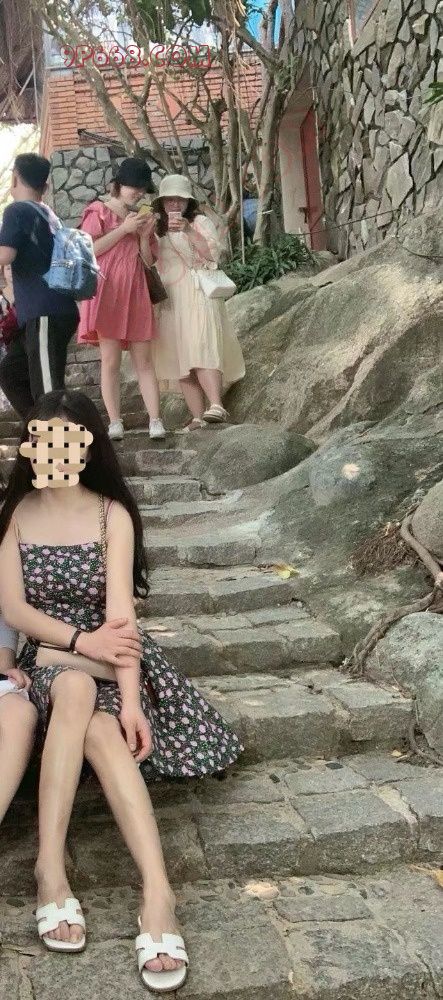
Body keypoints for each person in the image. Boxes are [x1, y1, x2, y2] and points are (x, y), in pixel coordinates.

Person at [0, 389, 242, 992]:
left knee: (105, 720)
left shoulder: (113, 515)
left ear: (88, 447)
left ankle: (150, 892)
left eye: (67, 440)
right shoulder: (17, 513)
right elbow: (15, 610)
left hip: (111, 661)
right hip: (55, 656)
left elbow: (121, 621)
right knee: (76, 692)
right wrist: (80, 642)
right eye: (43, 439)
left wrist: (133, 700)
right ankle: (62, 873)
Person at [78, 158, 166, 442]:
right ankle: (115, 421)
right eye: (134, 187)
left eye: (142, 189)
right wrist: (123, 229)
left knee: (144, 360)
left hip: (136, 291)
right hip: (107, 292)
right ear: (118, 185)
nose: (138, 193)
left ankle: (155, 420)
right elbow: (89, 250)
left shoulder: (141, 218)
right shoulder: (98, 211)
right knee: (110, 361)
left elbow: (149, 261)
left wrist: (143, 235)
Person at [151, 174, 245, 432]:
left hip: (198, 292)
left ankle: (216, 405)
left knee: (202, 346)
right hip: (170, 297)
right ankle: (197, 416)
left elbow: (213, 255)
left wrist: (188, 230)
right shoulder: (155, 228)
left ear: (188, 201)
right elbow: (149, 260)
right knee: (180, 357)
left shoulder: (200, 222)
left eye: (179, 199)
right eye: (169, 199)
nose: (174, 204)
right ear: (161, 202)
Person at [0, 154, 79, 419]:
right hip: (47, 311)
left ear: (14, 178)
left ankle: (59, 442)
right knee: (11, 373)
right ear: (45, 186)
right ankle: (40, 430)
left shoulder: (17, 210)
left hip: (44, 311)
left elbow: (5, 255)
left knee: (48, 391)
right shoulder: (48, 214)